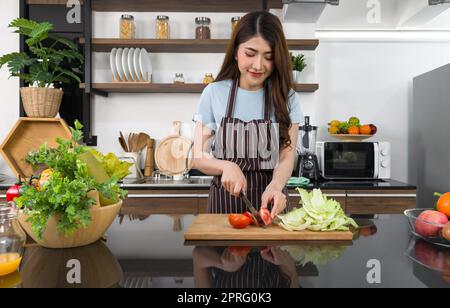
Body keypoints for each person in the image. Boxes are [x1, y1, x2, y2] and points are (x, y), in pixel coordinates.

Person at [192, 11, 303, 217]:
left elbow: (287, 155)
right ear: (235, 52)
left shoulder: (288, 97)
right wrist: (226, 166)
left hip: (271, 203)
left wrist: (276, 186)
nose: (258, 65)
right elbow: (198, 156)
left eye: (268, 57)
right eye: (250, 54)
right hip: (224, 206)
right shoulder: (214, 93)